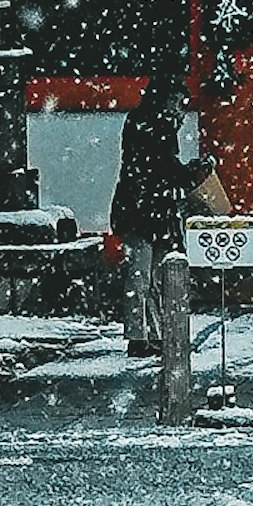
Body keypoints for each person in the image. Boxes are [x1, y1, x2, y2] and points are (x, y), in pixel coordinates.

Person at [110, 84, 188, 359]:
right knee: (143, 277)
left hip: (144, 210)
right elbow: (163, 165)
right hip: (144, 211)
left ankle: (148, 334)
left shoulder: (144, 122)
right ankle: (142, 335)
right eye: (176, 102)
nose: (179, 108)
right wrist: (187, 173)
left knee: (148, 277)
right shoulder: (154, 126)